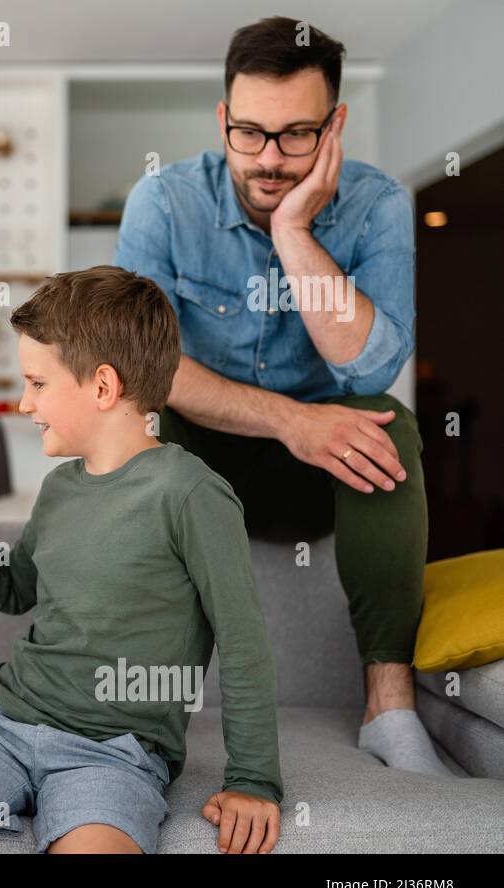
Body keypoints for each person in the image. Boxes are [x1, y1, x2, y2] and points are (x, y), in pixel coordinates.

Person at [114, 16, 451, 777]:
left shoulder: (379, 205)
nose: (269, 160)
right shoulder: (163, 203)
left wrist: (294, 228)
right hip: (208, 455)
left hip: (323, 471)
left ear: (335, 126)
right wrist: (290, 418)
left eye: (296, 135)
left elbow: (365, 369)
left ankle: (389, 709)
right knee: (142, 418)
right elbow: (144, 367)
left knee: (389, 424)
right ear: (222, 120)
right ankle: (149, 713)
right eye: (250, 134)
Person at [0, 267, 283, 854]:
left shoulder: (190, 493)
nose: (23, 403)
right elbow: (15, 590)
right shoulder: (60, 487)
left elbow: (244, 641)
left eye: (37, 384)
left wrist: (252, 781)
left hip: (116, 753)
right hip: (1, 724)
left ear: (102, 387)